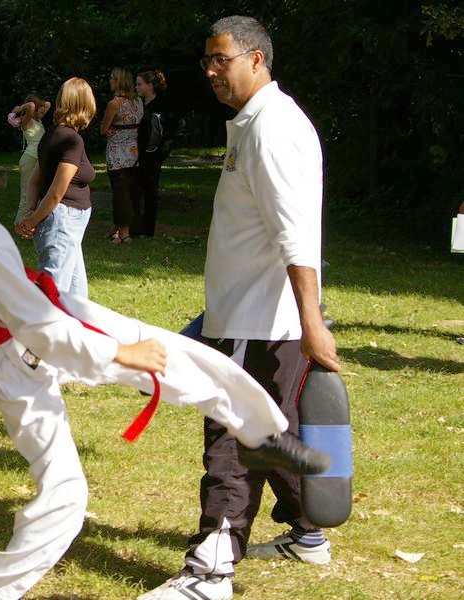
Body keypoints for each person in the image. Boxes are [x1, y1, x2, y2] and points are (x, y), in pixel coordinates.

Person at [0, 83, 328, 600]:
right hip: (17, 350)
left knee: (158, 362)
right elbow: (40, 327)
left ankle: (261, 428)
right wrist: (118, 357)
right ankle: (261, 428)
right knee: (136, 374)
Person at [138, 16, 342, 600]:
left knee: (231, 441)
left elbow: (295, 235)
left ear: (256, 59)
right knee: (269, 430)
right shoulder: (253, 123)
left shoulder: (272, 130)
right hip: (240, 315)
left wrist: (310, 322)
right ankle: (307, 533)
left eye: (220, 59)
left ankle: (210, 573)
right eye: (207, 59)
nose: (209, 70)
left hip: (261, 318)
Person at [16, 77, 96, 298]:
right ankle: (27, 331)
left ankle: (76, 333)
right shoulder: (72, 140)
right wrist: (31, 219)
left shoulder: (51, 135)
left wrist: (30, 212)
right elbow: (56, 192)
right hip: (63, 224)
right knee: (51, 297)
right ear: (85, 105)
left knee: (77, 299)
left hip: (66, 228)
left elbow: (34, 181)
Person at [100, 67, 142, 244]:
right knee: (129, 191)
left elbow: (103, 128)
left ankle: (123, 233)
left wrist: (108, 129)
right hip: (133, 153)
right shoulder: (138, 102)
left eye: (112, 78)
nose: (109, 81)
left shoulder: (114, 104)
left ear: (118, 81)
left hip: (116, 154)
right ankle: (118, 226)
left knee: (119, 193)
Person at [133, 69, 176, 238]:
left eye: (140, 84)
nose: (136, 87)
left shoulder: (161, 107)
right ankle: (137, 227)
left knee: (150, 191)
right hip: (140, 154)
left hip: (152, 155)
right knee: (137, 191)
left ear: (150, 86)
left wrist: (160, 150)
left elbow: (167, 131)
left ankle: (147, 230)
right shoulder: (140, 105)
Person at [9, 95, 51, 224]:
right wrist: (19, 109)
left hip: (38, 159)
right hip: (30, 159)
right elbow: (31, 106)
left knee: (37, 192)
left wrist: (41, 105)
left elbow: (48, 104)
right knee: (26, 194)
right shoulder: (26, 121)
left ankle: (30, 222)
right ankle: (19, 223)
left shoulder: (38, 120)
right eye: (40, 110)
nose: (43, 112)